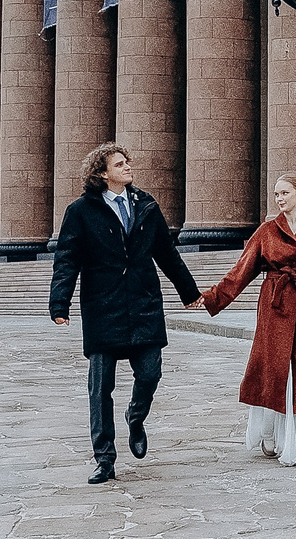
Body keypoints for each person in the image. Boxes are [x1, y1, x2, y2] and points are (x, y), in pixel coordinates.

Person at [50, 143, 202, 484]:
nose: (127, 167)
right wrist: (60, 303)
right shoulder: (81, 211)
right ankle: (104, 458)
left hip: (144, 302)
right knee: (100, 387)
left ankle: (136, 416)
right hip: (103, 307)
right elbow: (67, 259)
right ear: (103, 174)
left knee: (150, 373)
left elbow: (166, 252)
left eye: (127, 162)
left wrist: (189, 292)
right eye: (120, 164)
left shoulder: (146, 205)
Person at [200, 173, 296, 466]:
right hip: (275, 306)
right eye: (276, 195)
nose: (280, 199)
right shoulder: (267, 231)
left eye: (284, 193)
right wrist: (213, 297)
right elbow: (241, 271)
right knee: (272, 367)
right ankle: (270, 430)